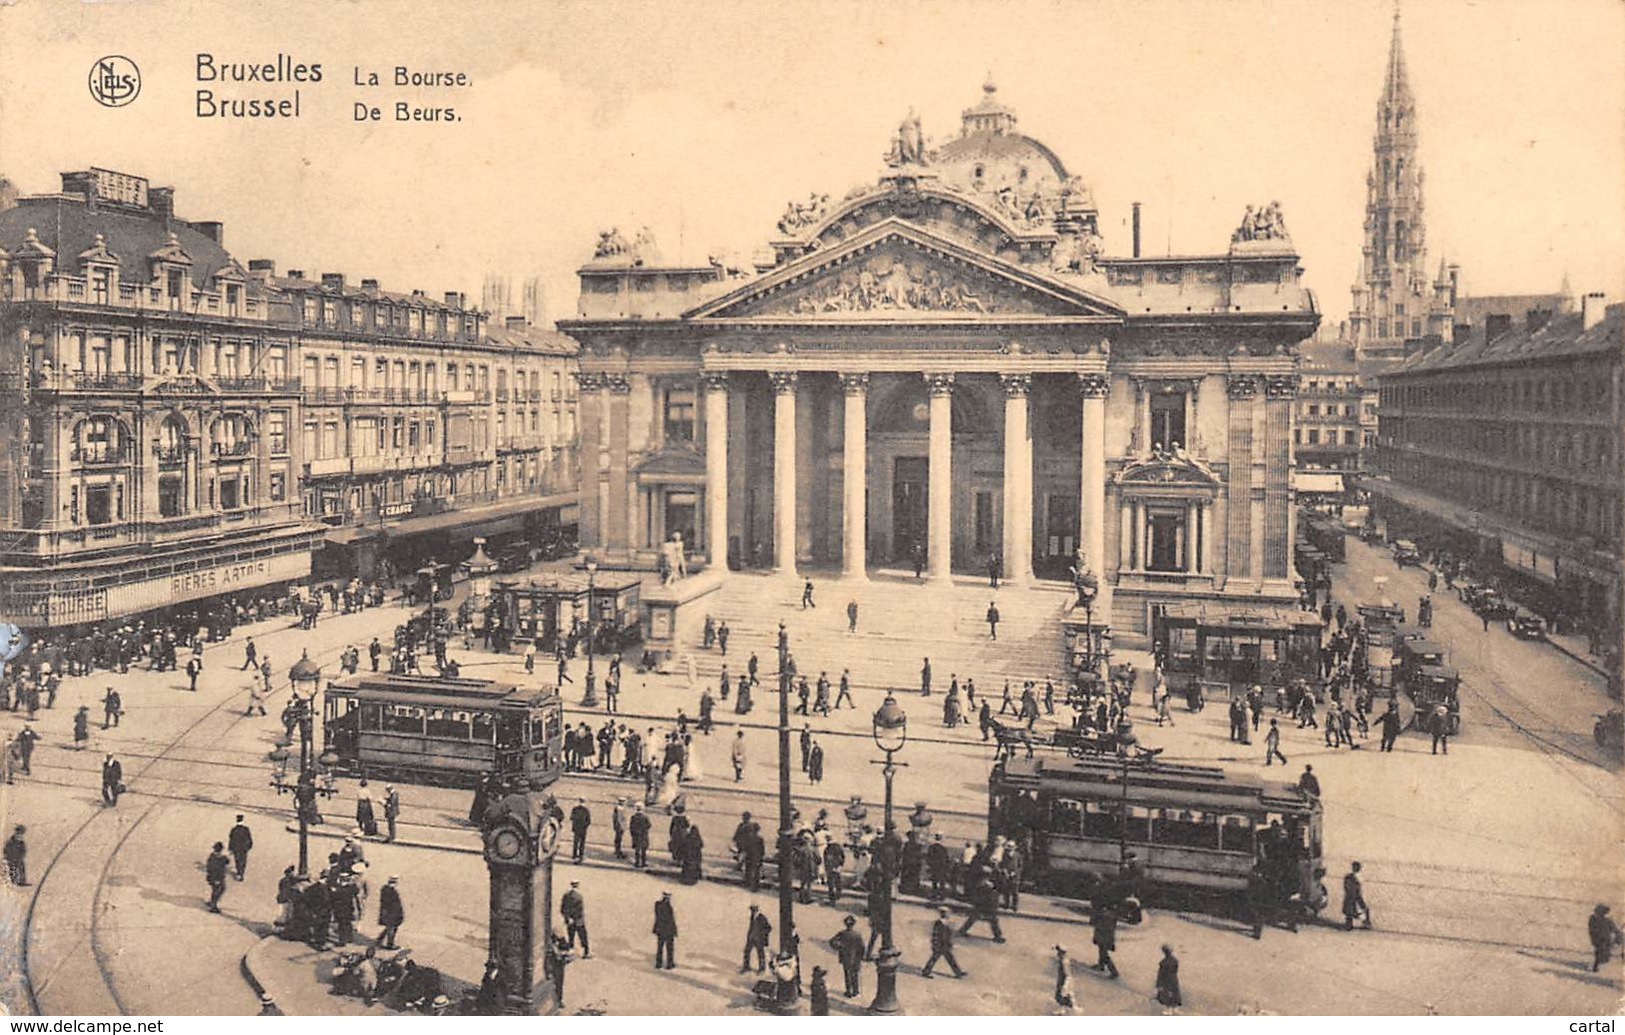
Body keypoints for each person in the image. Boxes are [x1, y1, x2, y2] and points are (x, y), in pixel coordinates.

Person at [921, 906, 967, 979]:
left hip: (945, 944)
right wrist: (935, 944)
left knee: (949, 958)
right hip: (939, 945)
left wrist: (950, 942)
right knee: (934, 959)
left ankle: (958, 972)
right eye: (945, 913)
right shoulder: (939, 922)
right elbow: (935, 934)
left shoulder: (946, 922)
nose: (947, 914)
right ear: (942, 914)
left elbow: (948, 934)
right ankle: (926, 972)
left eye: (947, 913)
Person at [829, 915, 865, 998]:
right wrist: (862, 956)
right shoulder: (857, 934)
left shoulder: (842, 933)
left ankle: (848, 991)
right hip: (856, 958)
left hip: (845, 957)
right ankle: (856, 991)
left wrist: (839, 947)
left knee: (847, 974)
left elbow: (832, 941)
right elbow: (862, 947)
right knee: (855, 974)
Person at [561, 880, 590, 958]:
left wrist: (567, 918)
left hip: (570, 920)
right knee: (582, 936)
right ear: (577, 885)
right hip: (578, 921)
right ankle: (586, 952)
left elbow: (563, 908)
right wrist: (577, 918)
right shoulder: (579, 896)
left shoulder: (566, 895)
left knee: (571, 936)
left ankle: (571, 951)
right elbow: (579, 910)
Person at [1588, 904, 1622, 972]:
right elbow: (1614, 928)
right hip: (1603, 939)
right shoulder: (1606, 920)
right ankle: (1596, 965)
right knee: (1602, 953)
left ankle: (1597, 964)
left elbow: (1591, 929)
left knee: (1601, 953)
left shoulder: (1593, 919)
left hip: (1600, 939)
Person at [1091, 899, 1120, 977]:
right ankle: (1101, 965)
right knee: (1102, 950)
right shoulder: (1110, 913)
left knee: (1104, 952)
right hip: (1107, 935)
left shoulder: (1103, 914)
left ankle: (1113, 971)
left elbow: (1094, 922)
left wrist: (1095, 917)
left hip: (1104, 935)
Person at [376, 874, 405, 949]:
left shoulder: (385, 889)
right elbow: (392, 903)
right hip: (392, 913)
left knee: (389, 927)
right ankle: (390, 944)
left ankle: (380, 939)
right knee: (392, 928)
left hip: (388, 912)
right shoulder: (391, 891)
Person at [742, 904, 773, 973]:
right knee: (746, 951)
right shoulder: (752, 917)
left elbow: (769, 928)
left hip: (759, 940)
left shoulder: (762, 917)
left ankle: (762, 969)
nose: (752, 912)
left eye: (753, 910)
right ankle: (746, 967)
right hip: (751, 938)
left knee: (760, 954)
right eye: (751, 910)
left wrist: (762, 934)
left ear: (756, 910)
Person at [652, 891, 678, 970]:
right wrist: (674, 931)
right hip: (668, 930)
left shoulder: (657, 905)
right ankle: (669, 964)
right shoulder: (668, 907)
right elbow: (671, 920)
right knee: (669, 948)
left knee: (660, 947)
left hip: (660, 929)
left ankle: (658, 963)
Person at [1342, 861, 1371, 930]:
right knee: (1353, 910)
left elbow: (1348, 886)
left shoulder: (1352, 877)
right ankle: (1350, 924)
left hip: (1354, 895)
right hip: (1353, 895)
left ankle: (1350, 924)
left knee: (1352, 910)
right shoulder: (1353, 877)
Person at [204, 842, 230, 913]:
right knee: (218, 890)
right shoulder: (217, 858)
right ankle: (213, 905)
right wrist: (216, 879)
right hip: (217, 877)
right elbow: (214, 868)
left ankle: (212, 902)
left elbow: (227, 862)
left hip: (215, 877)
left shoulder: (213, 857)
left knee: (217, 890)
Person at [1154, 945, 1182, 1009]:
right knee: (1174, 992)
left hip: (1166, 979)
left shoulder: (1163, 962)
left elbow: (1161, 973)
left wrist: (1159, 982)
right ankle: (1175, 1007)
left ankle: (1168, 1007)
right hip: (1173, 978)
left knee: (1166, 993)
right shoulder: (1175, 961)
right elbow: (1175, 969)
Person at [227, 815, 254, 880]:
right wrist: (249, 846)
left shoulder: (234, 830)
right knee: (243, 860)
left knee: (237, 860)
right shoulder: (246, 829)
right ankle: (241, 873)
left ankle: (238, 872)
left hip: (236, 848)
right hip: (244, 848)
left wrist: (230, 848)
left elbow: (231, 839)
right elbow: (249, 838)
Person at [1053, 945, 1077, 1010]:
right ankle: (1065, 1008)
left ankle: (1068, 1008)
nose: (1057, 954)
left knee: (1061, 996)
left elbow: (1067, 974)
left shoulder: (1064, 961)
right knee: (1061, 996)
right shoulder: (1063, 960)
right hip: (1062, 981)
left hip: (1065, 981)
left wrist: (1065, 985)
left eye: (1059, 952)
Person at [629, 803, 651, 868]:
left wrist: (633, 833)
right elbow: (649, 825)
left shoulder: (633, 817)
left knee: (637, 850)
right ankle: (643, 862)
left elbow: (631, 826)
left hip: (636, 835)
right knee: (643, 850)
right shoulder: (645, 817)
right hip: (643, 835)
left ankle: (637, 862)